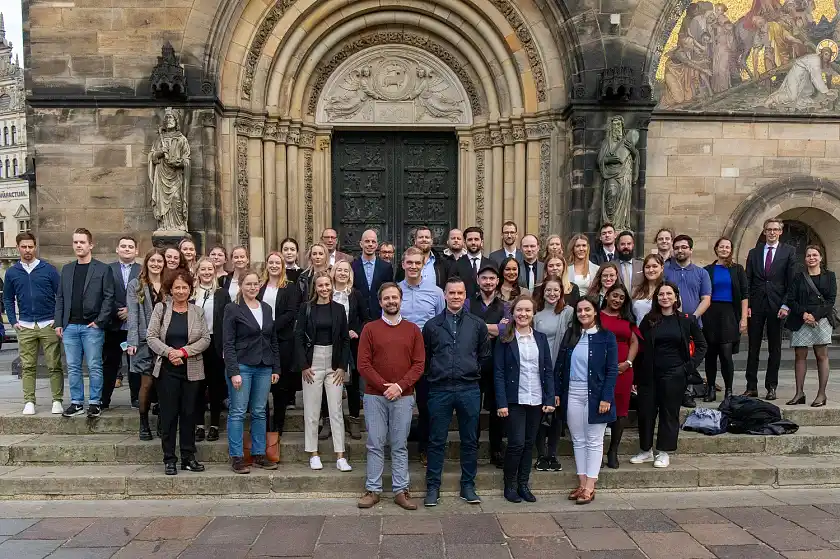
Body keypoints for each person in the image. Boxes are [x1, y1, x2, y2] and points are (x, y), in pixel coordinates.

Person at [423, 277, 491, 507]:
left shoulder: (477, 324)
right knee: (436, 440)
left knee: (470, 439)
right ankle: (433, 487)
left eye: (460, 293)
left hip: (468, 388)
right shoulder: (432, 326)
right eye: (451, 293)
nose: (456, 297)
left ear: (465, 295)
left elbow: (484, 356)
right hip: (440, 388)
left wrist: (472, 371)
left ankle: (468, 485)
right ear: (445, 295)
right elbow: (426, 356)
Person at [356, 283, 425, 511]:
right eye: (387, 298)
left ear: (401, 299)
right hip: (374, 397)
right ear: (380, 302)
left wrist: (400, 386)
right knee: (375, 443)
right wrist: (384, 386)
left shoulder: (413, 330)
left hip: (403, 397)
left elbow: (418, 365)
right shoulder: (370, 329)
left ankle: (400, 490)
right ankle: (373, 489)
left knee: (399, 444)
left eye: (394, 297)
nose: (391, 301)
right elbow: (363, 364)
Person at [632, 282, 706, 469]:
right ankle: (645, 450)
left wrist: (688, 367)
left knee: (668, 413)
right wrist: (635, 376)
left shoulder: (686, 320)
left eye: (668, 294)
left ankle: (663, 452)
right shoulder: (649, 320)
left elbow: (701, 345)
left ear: (675, 297)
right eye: (661, 294)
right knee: (646, 412)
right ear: (656, 298)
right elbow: (639, 348)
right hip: (649, 373)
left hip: (675, 374)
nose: (664, 297)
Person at [146, 268, 211, 475]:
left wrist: (183, 352)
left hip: (191, 370)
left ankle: (188, 456)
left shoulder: (197, 311)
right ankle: (169, 458)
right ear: (170, 289)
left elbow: (205, 339)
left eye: (185, 287)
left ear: (190, 290)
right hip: (166, 371)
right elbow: (151, 337)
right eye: (177, 287)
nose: (181, 291)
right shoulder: (160, 309)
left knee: (189, 415)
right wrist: (170, 353)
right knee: (168, 416)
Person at [556, 296, 618, 505]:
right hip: (572, 391)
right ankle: (582, 483)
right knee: (578, 439)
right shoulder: (571, 334)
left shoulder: (606, 337)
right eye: (580, 310)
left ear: (595, 312)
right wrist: (556, 391)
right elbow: (560, 366)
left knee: (594, 440)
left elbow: (611, 370)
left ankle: (590, 486)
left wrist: (606, 397)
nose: (583, 313)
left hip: (596, 395)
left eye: (587, 310)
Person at [494, 295, 555, 503]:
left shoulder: (541, 338)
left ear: (533, 313)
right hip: (515, 399)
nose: (523, 314)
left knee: (530, 444)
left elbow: (547, 370)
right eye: (519, 310)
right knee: (516, 443)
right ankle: (509, 485)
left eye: (527, 310)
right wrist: (501, 402)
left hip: (536, 399)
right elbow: (499, 372)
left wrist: (549, 397)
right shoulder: (505, 339)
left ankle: (523, 484)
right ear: (512, 313)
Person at [223, 269, 282, 474]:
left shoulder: (266, 308)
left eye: (256, 284)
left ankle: (258, 454)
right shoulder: (232, 309)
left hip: (264, 367)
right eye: (248, 284)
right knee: (238, 411)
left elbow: (272, 339)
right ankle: (237, 456)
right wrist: (233, 371)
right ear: (240, 286)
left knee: (259, 412)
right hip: (242, 367)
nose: (252, 287)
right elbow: (228, 343)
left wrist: (276, 367)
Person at [295, 271, 352, 472]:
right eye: (320, 285)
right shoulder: (306, 308)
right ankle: (313, 453)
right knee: (312, 410)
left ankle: (340, 455)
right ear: (315, 288)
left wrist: (342, 367)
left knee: (336, 410)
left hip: (334, 362)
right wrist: (303, 365)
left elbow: (345, 339)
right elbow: (298, 337)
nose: (325, 289)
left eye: (327, 285)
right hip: (313, 362)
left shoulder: (338, 309)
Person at [56, 228, 115, 418]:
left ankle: (95, 403)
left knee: (94, 365)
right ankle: (76, 402)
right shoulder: (66, 269)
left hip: (92, 326)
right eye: (75, 242)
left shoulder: (102, 269)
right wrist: (59, 323)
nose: (78, 245)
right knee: (72, 366)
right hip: (70, 326)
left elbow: (109, 298)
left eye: (82, 242)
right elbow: (61, 298)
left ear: (91, 244)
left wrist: (99, 322)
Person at [5, 232, 63, 416]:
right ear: (18, 248)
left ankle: (57, 400)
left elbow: (60, 295)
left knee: (54, 364)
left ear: (35, 247)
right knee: (27, 366)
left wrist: (57, 318)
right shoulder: (12, 272)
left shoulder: (48, 269)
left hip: (48, 323)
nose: (27, 250)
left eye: (30, 247)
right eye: (24, 247)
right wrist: (13, 321)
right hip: (25, 325)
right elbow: (7, 298)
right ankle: (29, 400)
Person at [399, 247, 445, 465]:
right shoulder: (395, 291)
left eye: (418, 263)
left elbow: (441, 323)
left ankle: (425, 448)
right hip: (401, 357)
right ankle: (399, 449)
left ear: (423, 265)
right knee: (400, 404)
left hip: (428, 357)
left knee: (427, 405)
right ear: (403, 265)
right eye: (410, 263)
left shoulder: (436, 292)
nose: (413, 266)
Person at [744, 217, 797, 400]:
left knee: (775, 348)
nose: (772, 232)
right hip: (756, 305)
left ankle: (771, 387)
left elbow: (791, 282)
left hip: (777, 306)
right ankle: (751, 386)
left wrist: (785, 304)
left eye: (775, 229)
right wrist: (747, 306)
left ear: (780, 232)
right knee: (753, 347)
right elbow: (748, 281)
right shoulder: (754, 252)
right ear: (764, 232)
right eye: (769, 229)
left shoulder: (789, 252)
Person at [466, 264, 510, 468]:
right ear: (478, 280)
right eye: (484, 278)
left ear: (498, 281)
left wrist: (480, 327)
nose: (488, 282)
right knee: (472, 409)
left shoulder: (506, 306)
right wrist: (493, 328)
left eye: (492, 278)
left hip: (497, 364)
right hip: (472, 364)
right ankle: (471, 449)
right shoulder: (467, 304)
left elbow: (506, 330)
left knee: (496, 410)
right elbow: (466, 328)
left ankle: (496, 450)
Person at [783, 245, 836, 407]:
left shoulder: (830, 276)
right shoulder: (798, 277)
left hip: (821, 319)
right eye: (808, 255)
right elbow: (791, 299)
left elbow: (830, 300)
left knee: (822, 355)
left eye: (814, 255)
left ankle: (821, 394)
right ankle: (799, 393)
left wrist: (815, 315)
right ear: (805, 259)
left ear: (820, 258)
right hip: (801, 319)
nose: (811, 258)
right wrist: (805, 314)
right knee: (800, 356)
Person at [664, 234, 711, 408]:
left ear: (690, 250)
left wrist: (692, 317)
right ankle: (676, 391)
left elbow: (706, 298)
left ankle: (688, 391)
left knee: (690, 357)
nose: (680, 250)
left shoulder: (701, 273)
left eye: (684, 247)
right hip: (671, 322)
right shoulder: (666, 271)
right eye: (676, 248)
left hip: (693, 323)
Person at [533, 278, 574, 472]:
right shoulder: (536, 314)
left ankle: (553, 453)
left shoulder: (568, 313)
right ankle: (541, 454)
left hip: (560, 369)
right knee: (541, 410)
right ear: (543, 292)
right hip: (539, 369)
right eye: (548, 290)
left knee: (557, 413)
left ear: (561, 292)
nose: (552, 293)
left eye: (555, 290)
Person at [257, 252, 301, 435]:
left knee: (280, 386)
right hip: (259, 341)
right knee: (262, 383)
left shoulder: (290, 287)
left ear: (283, 265)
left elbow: (291, 313)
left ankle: (278, 425)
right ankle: (264, 424)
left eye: (277, 262)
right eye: (271, 262)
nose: (274, 265)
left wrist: (271, 327)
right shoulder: (259, 287)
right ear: (266, 265)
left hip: (281, 340)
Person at [599, 284, 640, 469]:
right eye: (614, 296)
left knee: (621, 411)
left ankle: (613, 450)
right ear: (607, 296)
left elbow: (634, 341)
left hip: (623, 370)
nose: (617, 300)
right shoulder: (596, 317)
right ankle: (596, 450)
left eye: (621, 298)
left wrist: (628, 363)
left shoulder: (628, 318)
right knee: (599, 408)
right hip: (600, 370)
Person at [703, 237, 748, 403]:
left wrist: (744, 318)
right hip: (710, 313)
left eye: (727, 247)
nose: (724, 249)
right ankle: (711, 389)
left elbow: (744, 295)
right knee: (710, 354)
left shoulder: (737, 269)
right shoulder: (707, 270)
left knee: (726, 354)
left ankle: (729, 390)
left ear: (731, 250)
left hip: (729, 314)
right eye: (721, 246)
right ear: (716, 249)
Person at [127, 249, 166, 440]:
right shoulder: (136, 285)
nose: (156, 264)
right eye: (153, 261)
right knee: (147, 383)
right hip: (144, 341)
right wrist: (132, 341)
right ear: (147, 263)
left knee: (164, 384)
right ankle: (143, 423)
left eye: (160, 261)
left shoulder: (168, 284)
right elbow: (133, 315)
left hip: (166, 342)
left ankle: (161, 422)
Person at [329, 260, 368, 440]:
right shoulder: (326, 293)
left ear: (350, 274)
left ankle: (353, 420)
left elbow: (365, 319)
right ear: (334, 272)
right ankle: (328, 421)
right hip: (328, 344)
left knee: (352, 384)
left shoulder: (355, 294)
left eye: (346, 270)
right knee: (327, 382)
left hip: (351, 345)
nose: (342, 273)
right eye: (339, 270)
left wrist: (356, 331)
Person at [102, 236, 141, 410]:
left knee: (135, 364)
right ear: (117, 249)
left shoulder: (142, 270)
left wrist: (130, 311)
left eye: (130, 247)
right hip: (113, 324)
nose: (127, 249)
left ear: (136, 251)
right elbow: (103, 295)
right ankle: (104, 399)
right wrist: (119, 310)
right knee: (110, 363)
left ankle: (136, 398)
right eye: (123, 246)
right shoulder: (107, 269)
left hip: (135, 326)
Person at [193, 257, 230, 442]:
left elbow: (226, 321)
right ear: (197, 272)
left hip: (216, 343)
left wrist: (225, 347)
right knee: (198, 385)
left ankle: (214, 425)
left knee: (215, 386)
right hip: (195, 344)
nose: (207, 272)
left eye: (210, 269)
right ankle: (199, 425)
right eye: (203, 269)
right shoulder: (191, 293)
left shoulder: (222, 294)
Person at [352, 229, 394, 319]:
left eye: (373, 241)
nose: (370, 244)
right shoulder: (352, 266)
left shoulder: (386, 267)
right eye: (367, 241)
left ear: (376, 245)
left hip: (380, 316)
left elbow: (389, 290)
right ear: (361, 244)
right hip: (358, 317)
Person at [452, 226, 494, 299]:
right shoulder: (456, 264)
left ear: (482, 242)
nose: (473, 242)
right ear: (465, 243)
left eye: (476, 239)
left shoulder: (491, 264)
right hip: (465, 306)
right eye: (470, 240)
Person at [632, 254, 665, 326]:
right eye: (647, 267)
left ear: (662, 268)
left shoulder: (668, 290)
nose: (651, 270)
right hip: (639, 333)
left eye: (655, 266)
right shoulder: (636, 290)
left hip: (661, 333)